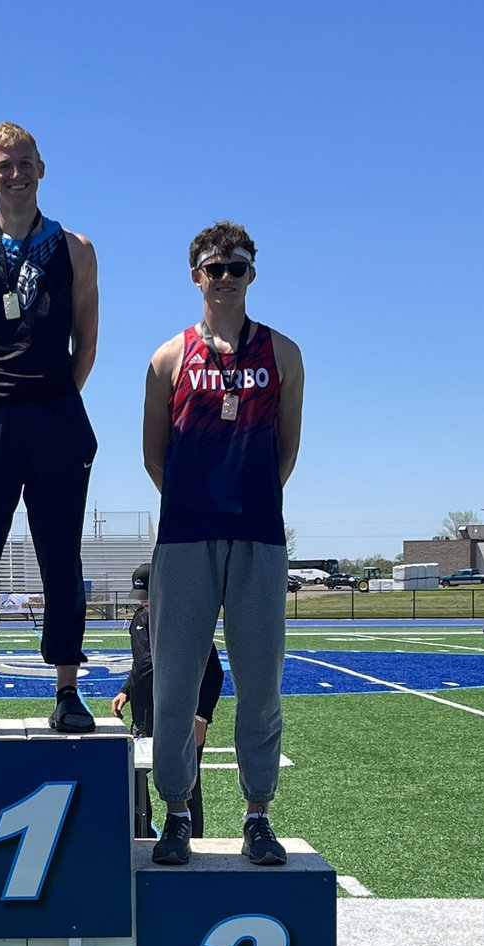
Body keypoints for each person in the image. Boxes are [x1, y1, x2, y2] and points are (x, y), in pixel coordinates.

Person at [142, 221, 304, 867]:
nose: (226, 277)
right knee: (176, 689)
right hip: (186, 537)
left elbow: (285, 450)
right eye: (215, 267)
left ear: (251, 275)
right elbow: (156, 455)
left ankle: (257, 815)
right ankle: (176, 813)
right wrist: (198, 501)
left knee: (260, 687)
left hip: (258, 535)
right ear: (196, 277)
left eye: (237, 267)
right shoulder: (169, 358)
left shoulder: (283, 353)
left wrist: (247, 499)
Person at [0, 121, 99, 736]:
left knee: (61, 555)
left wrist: (53, 398)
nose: (16, 173)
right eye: (4, 165)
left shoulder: (75, 248)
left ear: (42, 167)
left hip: (56, 415)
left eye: (25, 162)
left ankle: (67, 691)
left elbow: (85, 342)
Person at [111, 561, 223, 837]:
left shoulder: (186, 621)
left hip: (184, 716)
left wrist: (201, 717)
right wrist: (126, 690)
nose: (144, 603)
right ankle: (143, 835)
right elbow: (141, 664)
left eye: (148, 596)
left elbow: (214, 673)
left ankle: (192, 840)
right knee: (134, 777)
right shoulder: (138, 619)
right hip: (145, 712)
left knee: (186, 783)